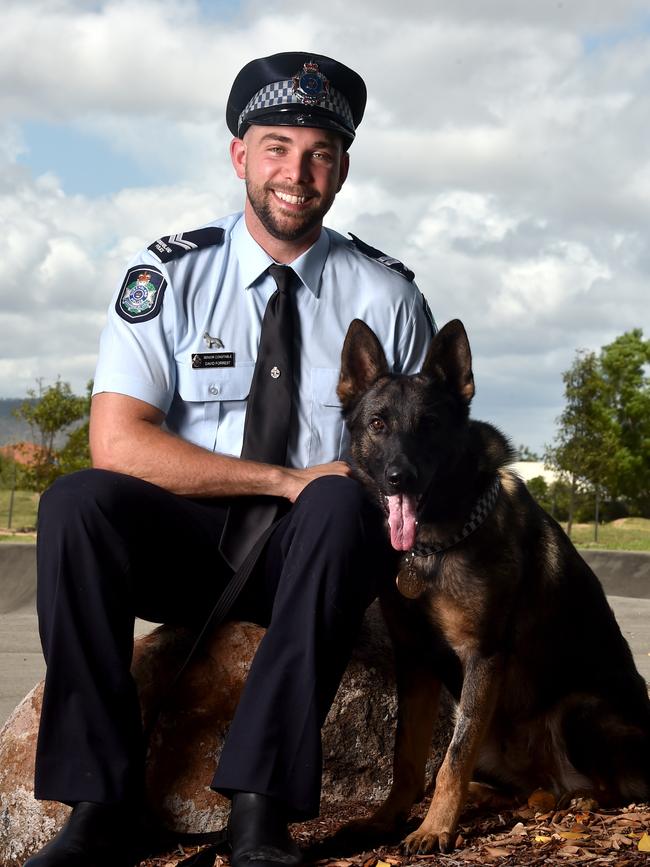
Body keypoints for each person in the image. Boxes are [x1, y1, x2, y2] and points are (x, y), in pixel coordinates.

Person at [25, 51, 435, 867]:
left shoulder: (387, 296)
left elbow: (418, 453)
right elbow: (118, 441)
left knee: (334, 500)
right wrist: (285, 478)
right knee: (74, 499)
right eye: (277, 146)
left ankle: (260, 812)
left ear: (343, 168)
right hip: (185, 542)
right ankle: (97, 806)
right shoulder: (169, 274)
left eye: (321, 152)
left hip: (311, 558)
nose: (298, 171)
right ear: (239, 155)